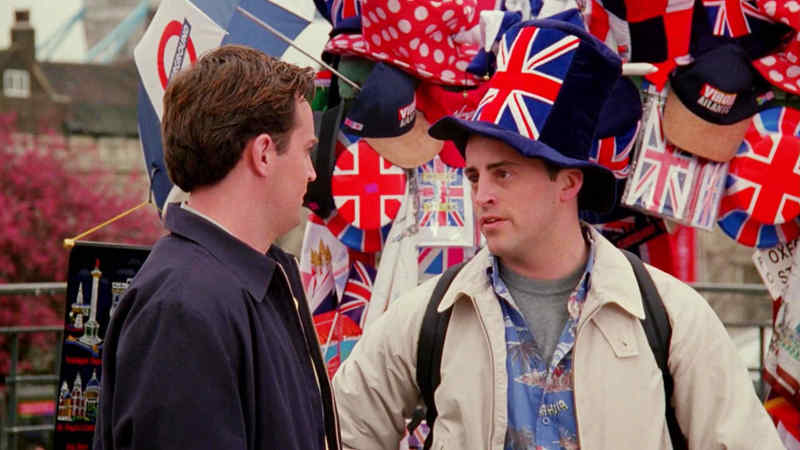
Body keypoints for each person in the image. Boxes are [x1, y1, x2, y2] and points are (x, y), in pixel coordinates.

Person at [331, 14, 783, 450]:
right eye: (473, 176)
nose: (482, 195)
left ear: (568, 183)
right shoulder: (431, 316)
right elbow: (340, 433)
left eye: (503, 174)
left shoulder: (670, 318)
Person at [94, 45, 340, 450]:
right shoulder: (184, 306)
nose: (312, 172)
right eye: (306, 150)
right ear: (264, 153)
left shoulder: (247, 280)